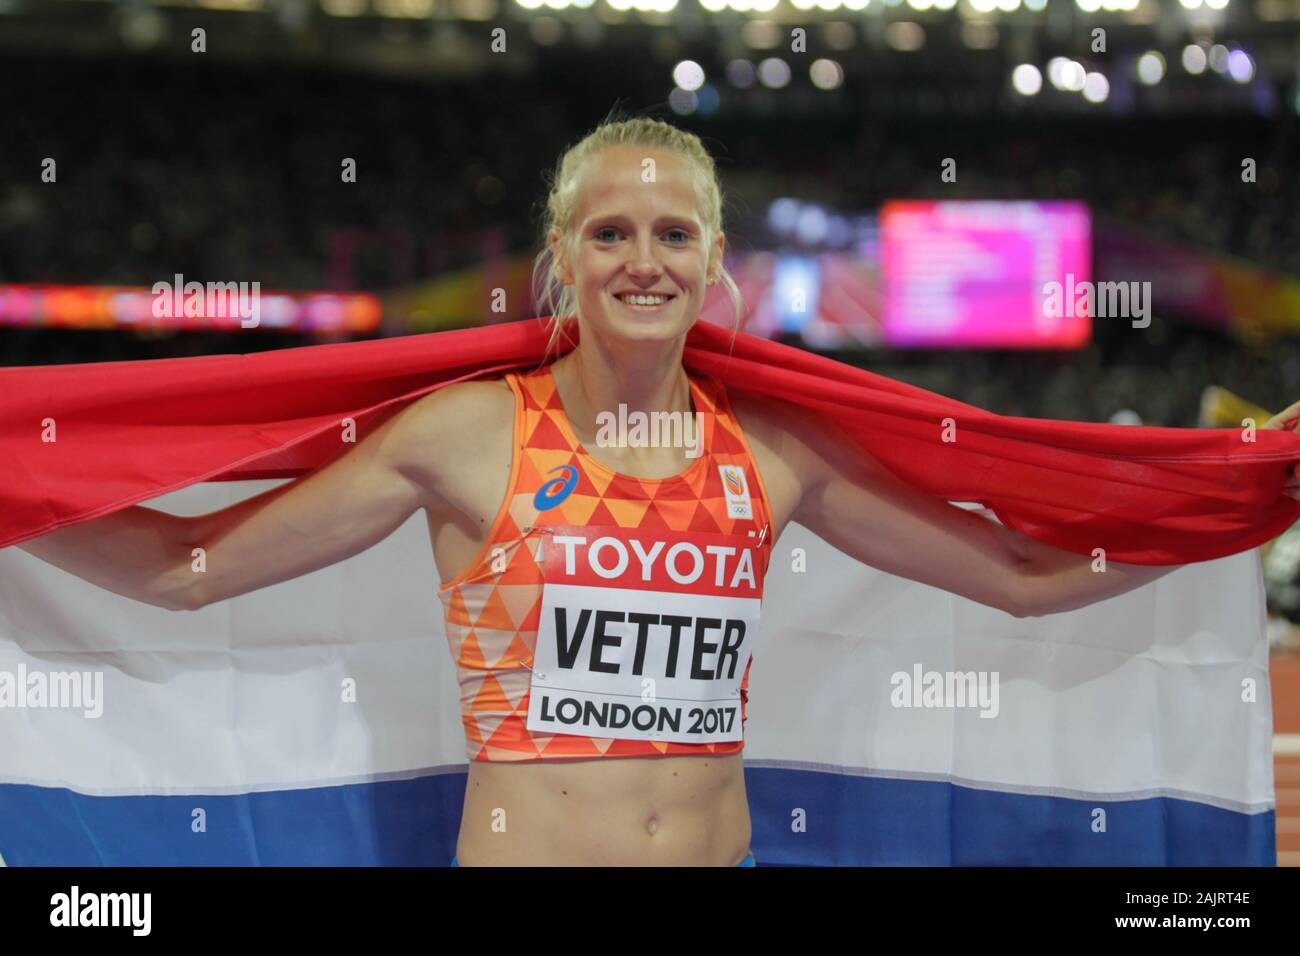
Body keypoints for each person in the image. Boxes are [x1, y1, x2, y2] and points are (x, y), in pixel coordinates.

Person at [17, 117, 1300, 866]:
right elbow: (185, 572)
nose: (642, 260)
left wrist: (1244, 494)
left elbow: (1021, 578)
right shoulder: (465, 435)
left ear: (715, 262)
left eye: (672, 233)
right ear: (558, 258)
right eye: (610, 233)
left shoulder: (775, 451)